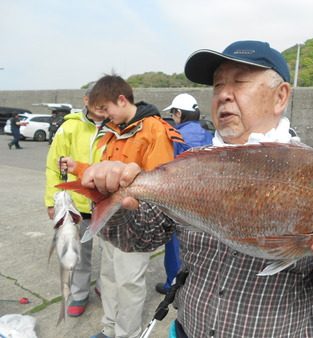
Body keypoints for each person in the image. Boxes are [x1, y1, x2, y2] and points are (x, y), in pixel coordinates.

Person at [78, 41, 313, 337]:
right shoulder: (189, 168)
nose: (223, 94)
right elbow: (138, 239)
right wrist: (111, 199)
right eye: (217, 86)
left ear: (280, 96)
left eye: (239, 82)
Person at [64, 75, 185, 338]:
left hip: (137, 222)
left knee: (129, 281)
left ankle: (126, 334)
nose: (104, 115)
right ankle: (109, 328)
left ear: (121, 99)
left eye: (106, 109)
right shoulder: (111, 131)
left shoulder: (154, 129)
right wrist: (80, 170)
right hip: (110, 220)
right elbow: (105, 176)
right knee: (108, 278)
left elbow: (159, 182)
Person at [45, 83, 105, 317]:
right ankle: (79, 293)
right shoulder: (69, 127)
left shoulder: (118, 127)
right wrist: (53, 202)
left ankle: (103, 286)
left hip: (108, 204)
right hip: (78, 205)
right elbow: (53, 166)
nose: (102, 104)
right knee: (79, 253)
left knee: (113, 254)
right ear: (86, 100)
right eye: (96, 98)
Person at [155, 93, 213, 295]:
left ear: (178, 113)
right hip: (207, 198)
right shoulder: (209, 133)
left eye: (173, 113)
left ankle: (174, 284)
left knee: (175, 242)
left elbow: (166, 166)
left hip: (180, 197)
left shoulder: (174, 135)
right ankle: (198, 283)